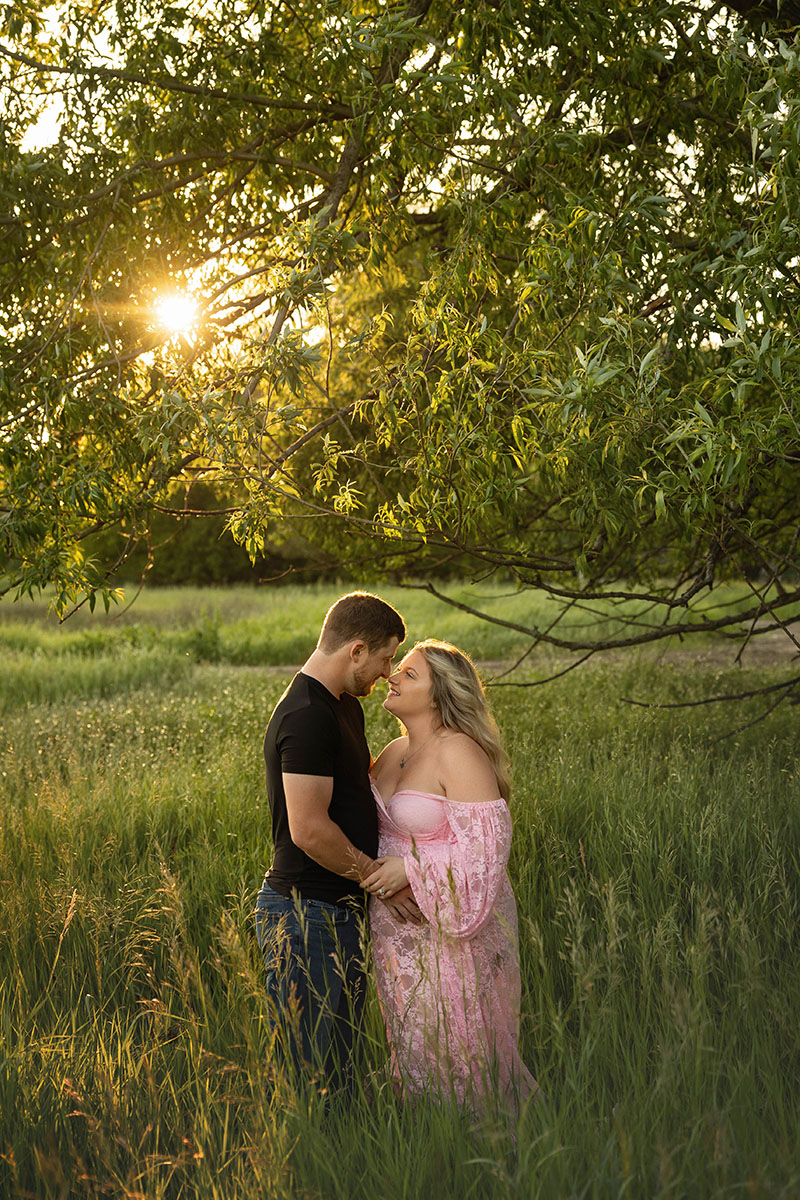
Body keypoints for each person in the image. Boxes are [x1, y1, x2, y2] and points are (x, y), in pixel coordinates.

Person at [361, 639, 538, 1110]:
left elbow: (485, 857)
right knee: (412, 1040)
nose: (392, 676)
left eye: (409, 674)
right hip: (397, 931)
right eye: (397, 668)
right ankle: (429, 1145)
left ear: (440, 696)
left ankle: (493, 1153)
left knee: (463, 1044)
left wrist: (410, 869)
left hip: (454, 932)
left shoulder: (458, 752)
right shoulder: (394, 749)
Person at [254, 591, 419, 1086]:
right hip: (306, 915)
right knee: (314, 1074)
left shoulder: (343, 705)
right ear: (356, 651)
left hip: (334, 910)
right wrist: (378, 880)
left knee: (337, 1066)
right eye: (386, 658)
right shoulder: (307, 714)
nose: (388, 672)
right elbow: (308, 829)